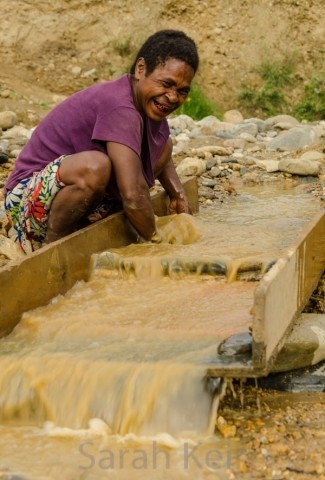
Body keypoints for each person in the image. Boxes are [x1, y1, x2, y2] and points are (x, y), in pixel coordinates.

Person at [4, 29, 199, 254]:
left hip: (75, 201)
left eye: (182, 91)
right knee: (96, 167)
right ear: (141, 69)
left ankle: (81, 231)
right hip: (28, 203)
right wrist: (160, 244)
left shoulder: (148, 105)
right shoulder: (119, 105)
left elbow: (162, 154)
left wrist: (179, 195)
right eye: (166, 84)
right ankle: (52, 247)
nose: (173, 97)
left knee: (165, 144)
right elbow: (133, 195)